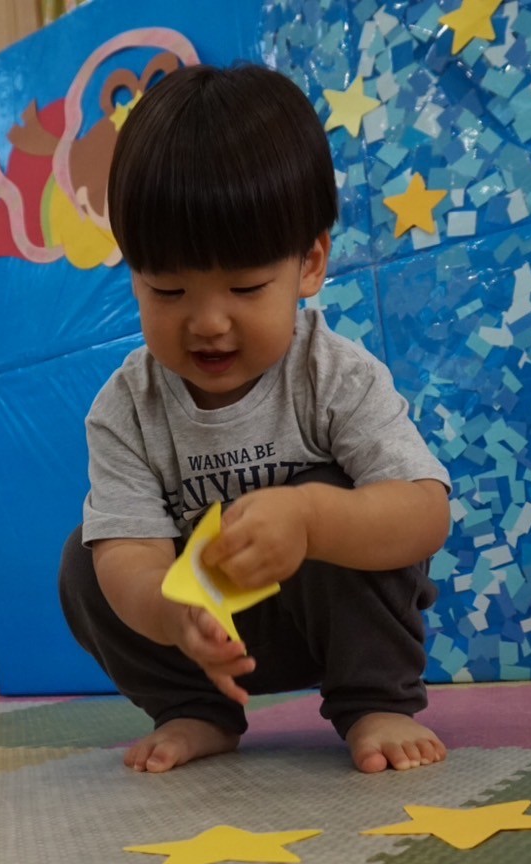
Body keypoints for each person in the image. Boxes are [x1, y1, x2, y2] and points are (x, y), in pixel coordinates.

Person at [59, 64, 453, 774]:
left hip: (332, 618)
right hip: (206, 635)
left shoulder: (334, 375)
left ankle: (374, 700)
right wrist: (170, 611)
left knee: (338, 495)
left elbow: (425, 513)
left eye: (244, 287)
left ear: (310, 264)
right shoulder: (127, 409)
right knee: (88, 559)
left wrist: (312, 520)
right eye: (168, 290)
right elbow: (129, 557)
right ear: (135, 276)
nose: (208, 322)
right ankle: (195, 707)